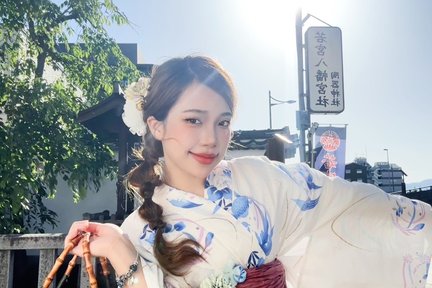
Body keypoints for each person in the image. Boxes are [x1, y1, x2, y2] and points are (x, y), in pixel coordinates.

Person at [65, 55, 432, 288]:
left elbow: (350, 204)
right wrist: (118, 249)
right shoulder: (136, 231)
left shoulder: (261, 176)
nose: (211, 138)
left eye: (223, 122)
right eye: (193, 120)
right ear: (157, 125)